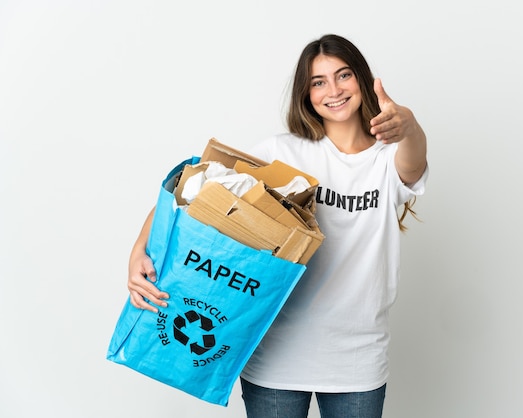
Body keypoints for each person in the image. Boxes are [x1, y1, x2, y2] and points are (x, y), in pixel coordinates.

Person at [127, 33, 427, 418]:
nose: (333, 90)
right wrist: (139, 249)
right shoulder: (281, 153)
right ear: (306, 93)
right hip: (276, 356)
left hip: (357, 360)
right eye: (318, 82)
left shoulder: (387, 160)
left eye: (344, 75)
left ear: (362, 81)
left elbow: (414, 159)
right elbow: (196, 187)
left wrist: (411, 125)